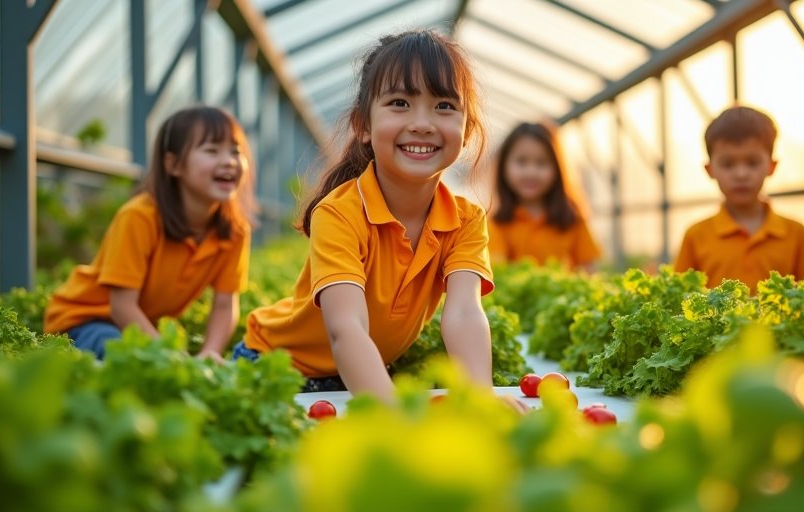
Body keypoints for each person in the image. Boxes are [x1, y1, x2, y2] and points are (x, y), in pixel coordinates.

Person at [235, 30, 501, 404]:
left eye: (444, 106)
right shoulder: (340, 213)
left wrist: (481, 398)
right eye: (399, 103)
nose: (422, 122)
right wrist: (394, 416)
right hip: (277, 367)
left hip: (356, 374)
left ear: (467, 129)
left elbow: (463, 314)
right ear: (363, 125)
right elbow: (347, 328)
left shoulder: (467, 220)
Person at [43, 106, 255, 362]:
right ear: (173, 164)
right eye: (212, 150)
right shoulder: (140, 217)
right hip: (84, 319)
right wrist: (170, 357)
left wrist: (210, 351)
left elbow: (224, 304)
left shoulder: (234, 230)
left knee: (148, 360)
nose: (229, 161)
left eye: (236, 151)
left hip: (131, 326)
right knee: (124, 353)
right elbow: (121, 306)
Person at [674, 105, 804, 290]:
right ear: (710, 170)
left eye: (752, 163)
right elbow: (677, 300)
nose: (741, 174)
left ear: (772, 166)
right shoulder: (696, 236)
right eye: (728, 164)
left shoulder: (796, 233)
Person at [487, 122, 602, 271]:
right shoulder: (497, 223)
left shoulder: (573, 219)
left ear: (558, 169)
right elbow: (496, 273)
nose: (531, 172)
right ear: (504, 167)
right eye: (521, 162)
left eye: (542, 163)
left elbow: (589, 271)